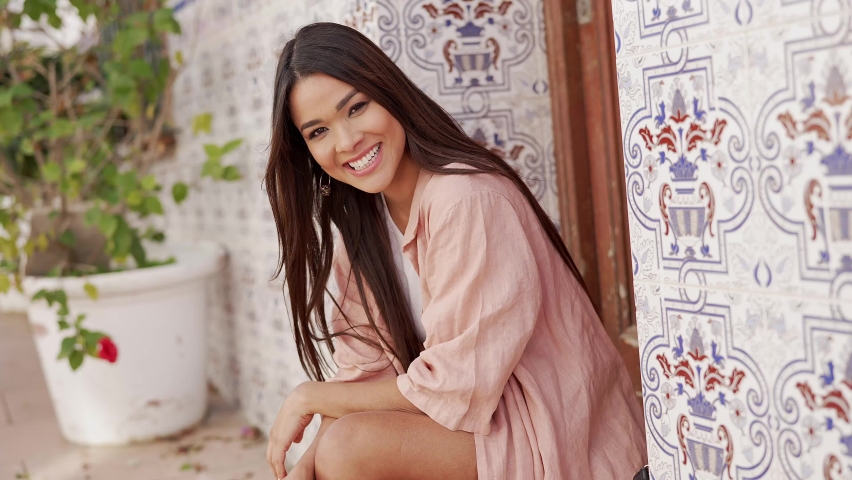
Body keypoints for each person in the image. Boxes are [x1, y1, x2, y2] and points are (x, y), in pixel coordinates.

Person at [263, 22, 647, 480]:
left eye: (357, 107)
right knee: (333, 451)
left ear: (390, 94)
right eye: (319, 131)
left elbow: (457, 384)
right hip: (474, 430)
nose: (346, 142)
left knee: (348, 449)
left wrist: (310, 397)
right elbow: (363, 378)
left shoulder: (465, 199)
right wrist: (307, 462)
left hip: (551, 434)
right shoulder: (363, 233)